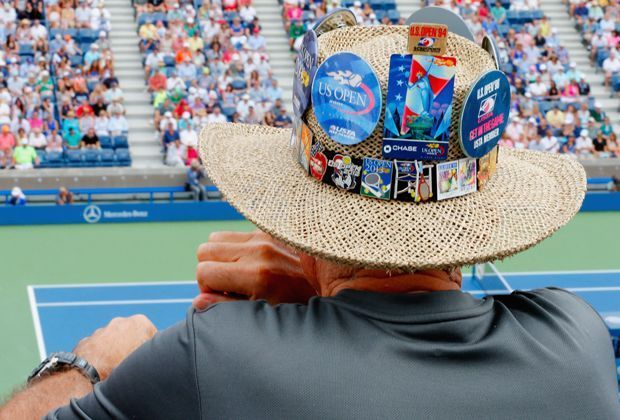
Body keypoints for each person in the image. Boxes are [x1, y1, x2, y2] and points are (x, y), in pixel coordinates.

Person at [1, 22, 619, 420]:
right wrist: (328, 293)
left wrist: (87, 366)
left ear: (308, 222)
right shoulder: (576, 342)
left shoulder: (210, 357)